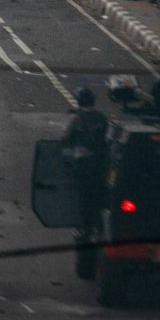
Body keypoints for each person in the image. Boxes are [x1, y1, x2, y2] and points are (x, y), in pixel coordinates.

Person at [61, 88, 108, 254]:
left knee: (83, 196)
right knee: (98, 195)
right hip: (101, 163)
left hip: (83, 163)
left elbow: (64, 137)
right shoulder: (102, 117)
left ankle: (83, 227)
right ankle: (98, 225)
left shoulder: (76, 118)